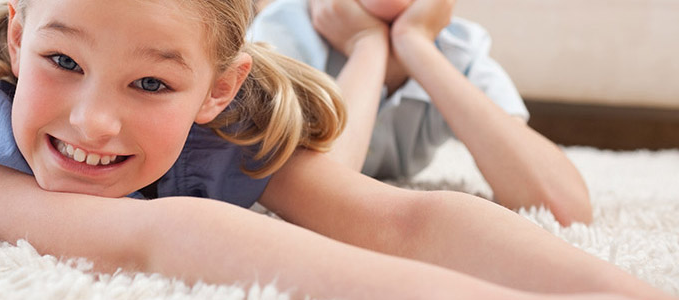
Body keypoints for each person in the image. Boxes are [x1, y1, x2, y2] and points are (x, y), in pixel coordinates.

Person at [0, 0, 674, 299]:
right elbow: (156, 235)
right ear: (24, 38)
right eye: (62, 62)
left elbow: (395, 220)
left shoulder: (238, 111)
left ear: (217, 88)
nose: (92, 124)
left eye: (150, 86)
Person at [248, 0, 593, 226]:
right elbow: (317, 204)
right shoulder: (283, 33)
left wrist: (415, 42)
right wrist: (367, 45)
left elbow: (564, 208)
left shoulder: (457, 48)